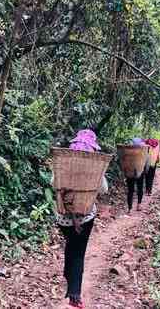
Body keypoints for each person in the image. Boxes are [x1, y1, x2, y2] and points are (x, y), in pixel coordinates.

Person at [56, 129, 108, 309]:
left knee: (71, 245)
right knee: (79, 252)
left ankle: (68, 276)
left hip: (63, 217)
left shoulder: (63, 163)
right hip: (85, 217)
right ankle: (75, 296)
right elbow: (103, 189)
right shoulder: (95, 166)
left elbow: (53, 183)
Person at [125, 137, 148, 213]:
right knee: (140, 188)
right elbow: (147, 163)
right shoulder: (143, 151)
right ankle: (139, 205)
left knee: (130, 190)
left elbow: (123, 162)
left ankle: (129, 209)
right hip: (140, 172)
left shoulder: (128, 152)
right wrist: (145, 171)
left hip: (129, 173)